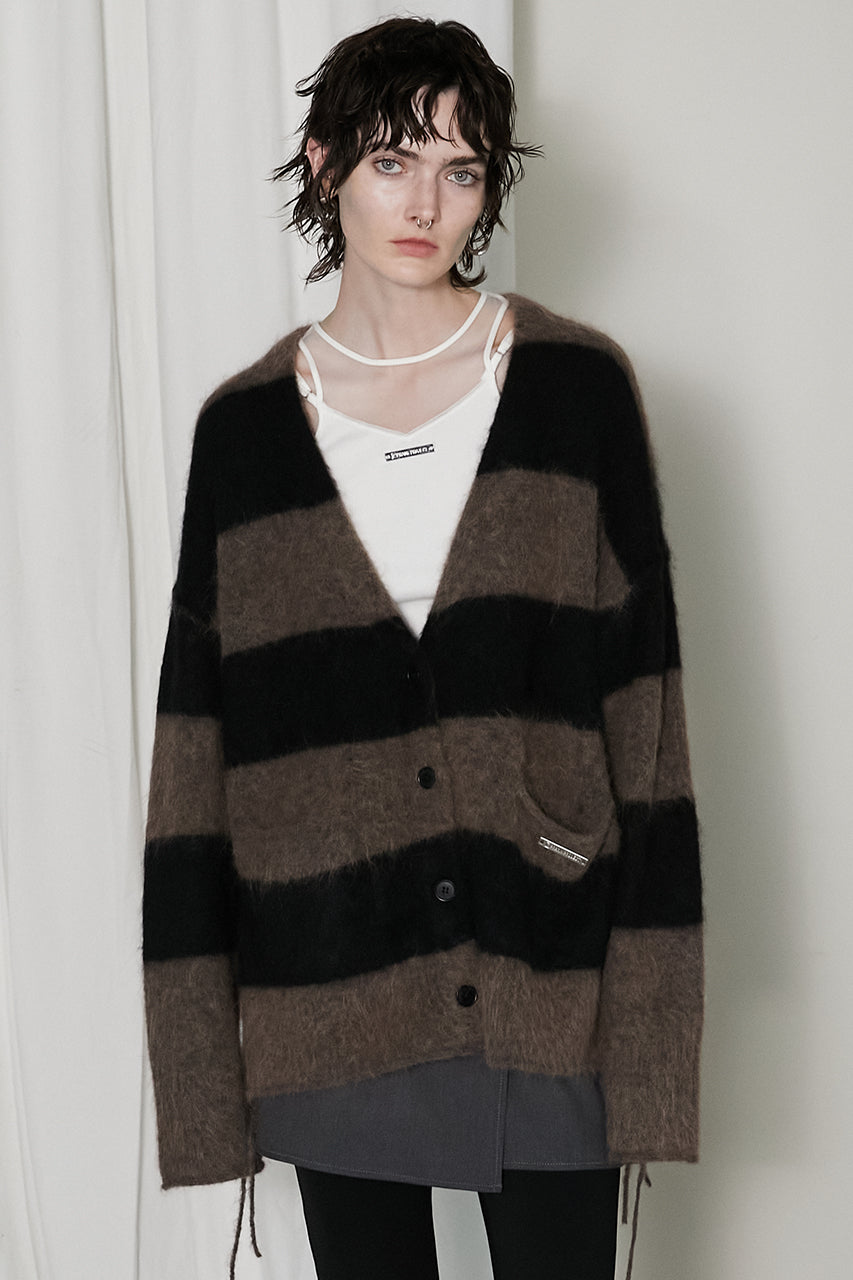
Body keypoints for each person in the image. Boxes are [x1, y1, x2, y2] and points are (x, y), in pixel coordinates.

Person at [141, 16, 704, 1280]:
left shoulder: (576, 391)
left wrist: (653, 1063)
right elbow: (193, 761)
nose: (424, 203)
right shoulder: (243, 432)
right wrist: (201, 1086)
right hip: (324, 980)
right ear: (325, 161)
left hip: (542, 963)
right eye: (392, 160)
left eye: (461, 169)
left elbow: (648, 722)